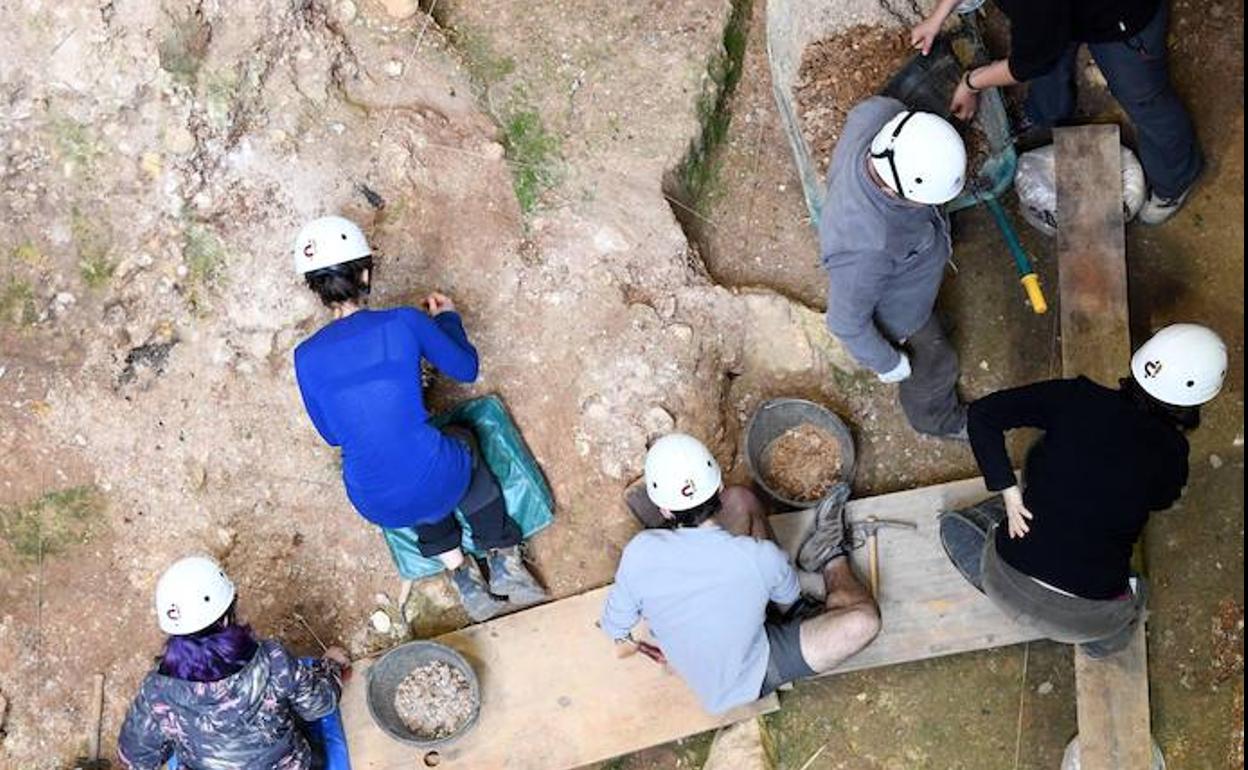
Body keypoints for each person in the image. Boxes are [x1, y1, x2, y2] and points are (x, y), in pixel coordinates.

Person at [291, 216, 546, 622]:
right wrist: (447, 320)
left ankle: (462, 577)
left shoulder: (305, 356)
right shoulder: (403, 322)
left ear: (315, 289)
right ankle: (504, 560)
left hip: (373, 500)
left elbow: (332, 434)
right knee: (459, 440)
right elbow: (466, 367)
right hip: (434, 473)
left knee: (410, 476)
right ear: (366, 272)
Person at [949, 324, 1227, 656]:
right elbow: (1162, 499)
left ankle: (998, 551)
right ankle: (1101, 643)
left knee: (993, 506)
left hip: (1002, 581)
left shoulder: (1077, 398)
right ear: (1199, 400)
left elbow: (983, 415)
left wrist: (1009, 491)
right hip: (1087, 620)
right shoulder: (1173, 454)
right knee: (1134, 592)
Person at [599, 433, 880, 713]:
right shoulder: (758, 557)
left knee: (742, 500)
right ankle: (831, 556)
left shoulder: (640, 553)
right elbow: (790, 596)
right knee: (863, 622)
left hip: (713, 671)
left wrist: (638, 642)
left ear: (664, 509)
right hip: (750, 673)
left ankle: (790, 588)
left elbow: (615, 627)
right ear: (719, 485)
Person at [911, 0, 1203, 225]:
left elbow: (1030, 63)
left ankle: (1175, 179)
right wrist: (936, 19)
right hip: (1061, 11)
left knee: (1144, 98)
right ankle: (1045, 113)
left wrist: (970, 83)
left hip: (1119, 14)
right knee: (1049, 49)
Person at [820, 98, 969, 439]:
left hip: (911, 274)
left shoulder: (879, 116)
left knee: (932, 316)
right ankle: (937, 421)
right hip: (900, 313)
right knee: (935, 364)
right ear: (892, 189)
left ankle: (929, 314)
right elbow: (845, 322)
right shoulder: (867, 245)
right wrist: (889, 362)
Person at [118, 555, 350, 769]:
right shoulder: (272, 661)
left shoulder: (157, 694)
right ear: (228, 615)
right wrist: (332, 667)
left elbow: (135, 756)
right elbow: (319, 703)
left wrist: (181, 736)